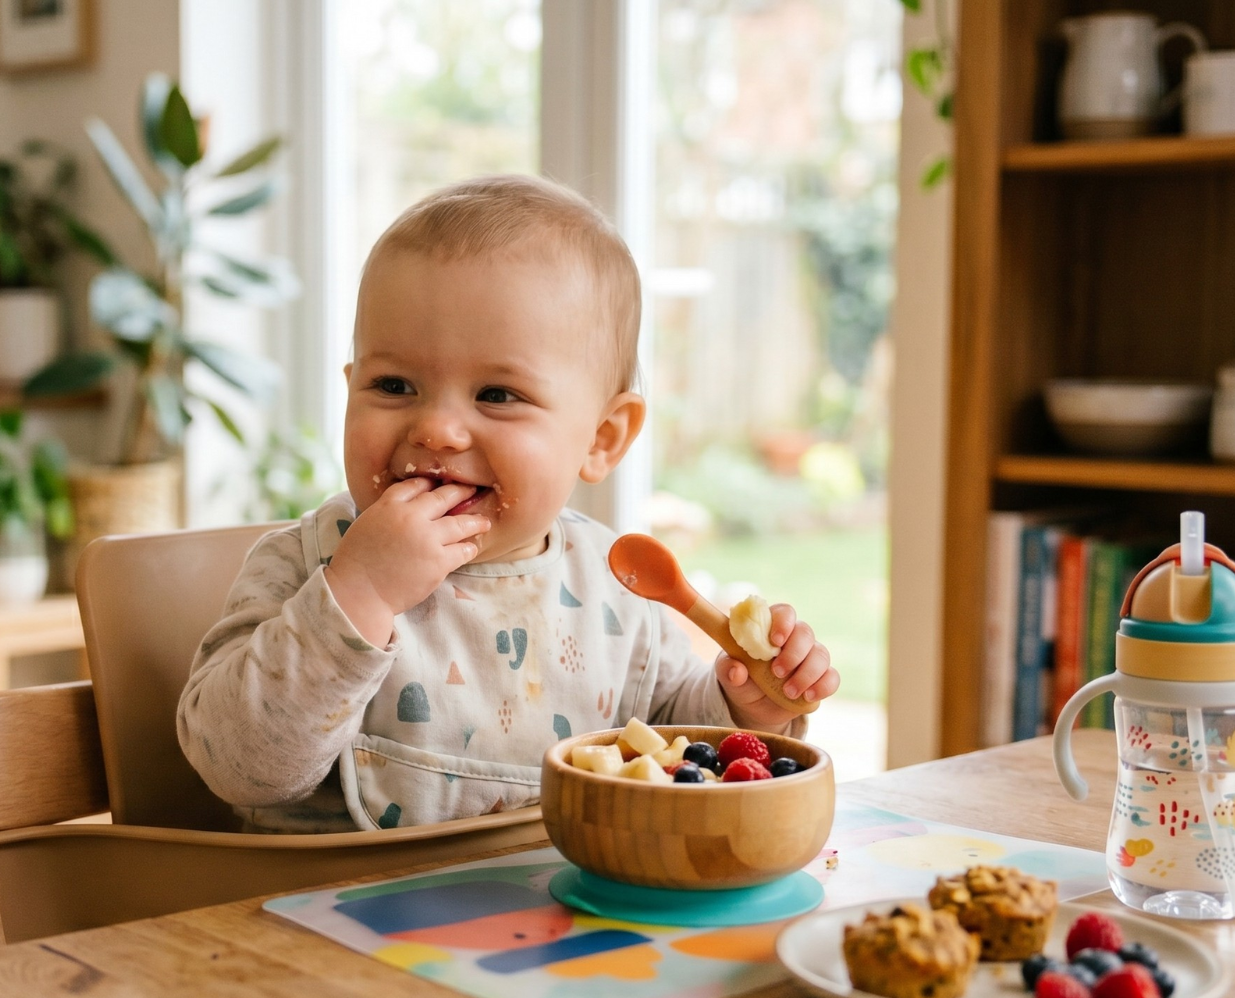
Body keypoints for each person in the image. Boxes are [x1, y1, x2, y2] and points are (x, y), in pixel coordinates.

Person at [177, 175, 840, 832]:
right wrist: (360, 595)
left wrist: (746, 709)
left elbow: (670, 739)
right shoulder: (307, 566)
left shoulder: (617, 586)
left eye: (496, 394)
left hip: (555, 919)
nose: (437, 429)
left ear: (601, 438)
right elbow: (240, 769)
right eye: (394, 384)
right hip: (326, 920)